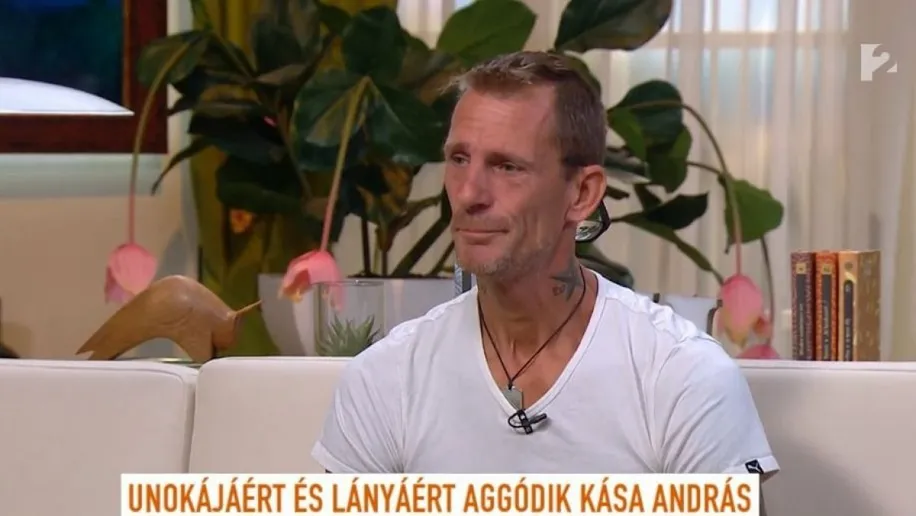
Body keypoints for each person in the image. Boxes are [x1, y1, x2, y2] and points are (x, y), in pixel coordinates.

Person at [311, 51, 778, 499]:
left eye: (507, 166)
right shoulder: (385, 378)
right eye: (458, 159)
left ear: (582, 194)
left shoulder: (681, 376)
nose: (469, 194)